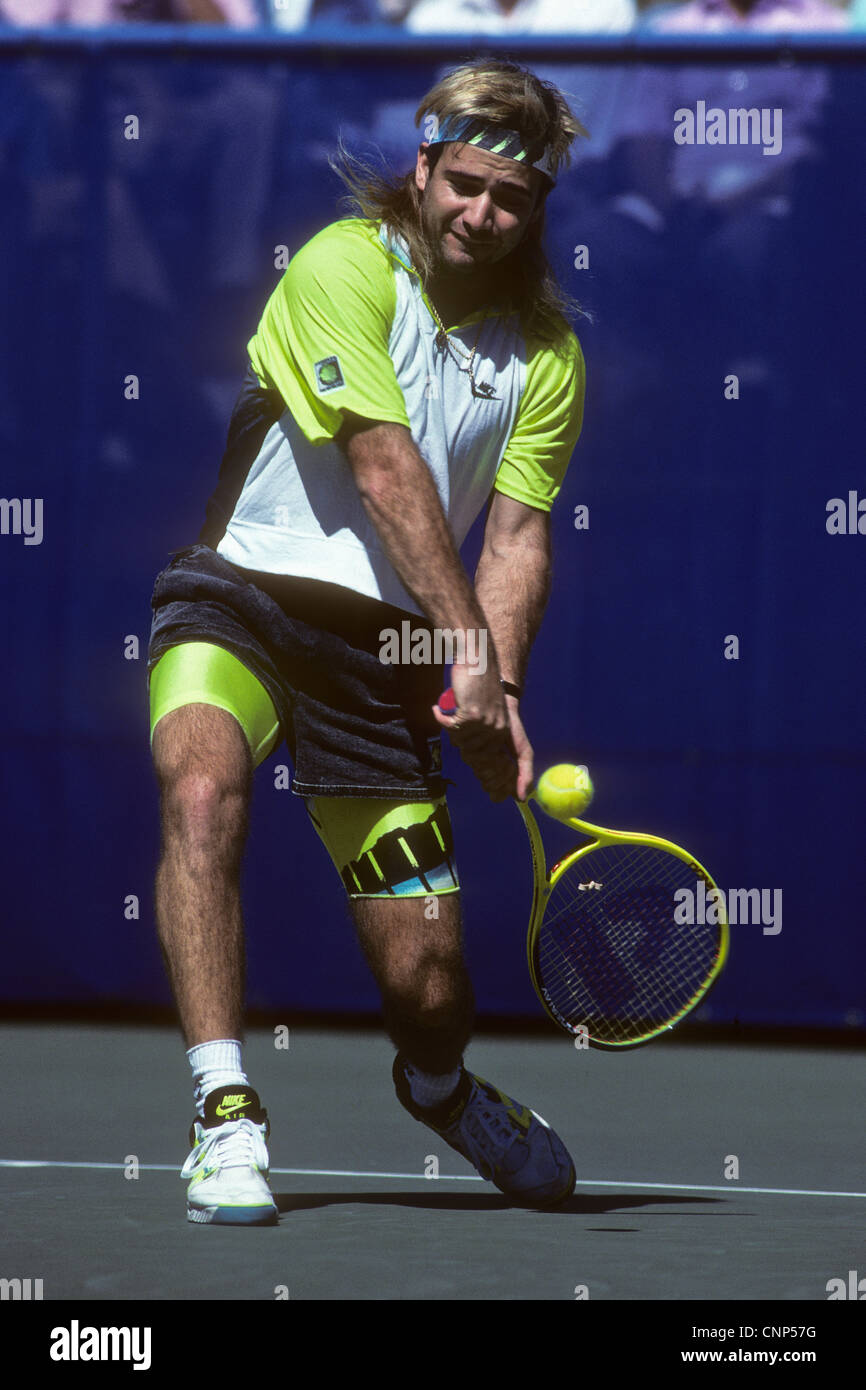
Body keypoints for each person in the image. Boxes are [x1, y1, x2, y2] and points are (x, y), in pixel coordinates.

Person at [147, 57, 588, 1225]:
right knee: (199, 791)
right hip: (240, 595)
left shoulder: (543, 357)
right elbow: (383, 466)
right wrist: (472, 655)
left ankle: (439, 1086)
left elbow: (517, 538)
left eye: (512, 199)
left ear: (538, 207)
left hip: (382, 656)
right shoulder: (344, 265)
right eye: (465, 186)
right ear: (424, 168)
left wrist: (492, 687)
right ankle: (224, 1109)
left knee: (431, 985)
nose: (482, 216)